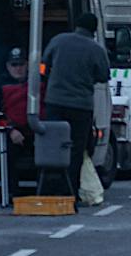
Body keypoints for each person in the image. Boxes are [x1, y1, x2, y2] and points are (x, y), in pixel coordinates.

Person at [42, 13, 113, 207]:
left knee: (54, 146)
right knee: (76, 150)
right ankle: (71, 192)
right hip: (81, 107)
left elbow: (44, 65)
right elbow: (103, 76)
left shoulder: (58, 41)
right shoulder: (96, 49)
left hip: (54, 102)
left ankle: (50, 188)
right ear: (94, 29)